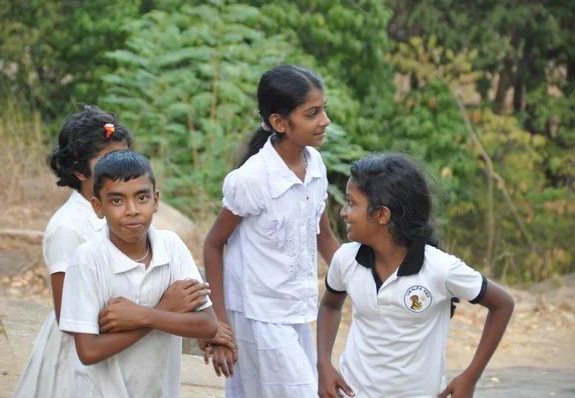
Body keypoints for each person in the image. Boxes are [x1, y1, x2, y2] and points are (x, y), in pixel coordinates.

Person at [316, 154, 515, 398]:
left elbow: (503, 304)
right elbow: (329, 306)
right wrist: (323, 363)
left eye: (351, 203)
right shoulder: (345, 259)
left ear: (381, 215)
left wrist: (470, 377)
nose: (344, 212)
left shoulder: (440, 268)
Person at [202, 64, 340, 397]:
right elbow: (213, 244)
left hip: (293, 310)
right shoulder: (252, 179)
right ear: (280, 122)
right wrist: (219, 325)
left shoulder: (315, 165)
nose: (325, 121)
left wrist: (367, 279)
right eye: (313, 113)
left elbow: (324, 236)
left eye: (324, 110)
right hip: (257, 313)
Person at [59, 149, 219, 397]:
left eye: (141, 198)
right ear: (98, 206)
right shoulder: (87, 260)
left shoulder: (171, 246)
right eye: (116, 201)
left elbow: (207, 325)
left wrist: (143, 316)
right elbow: (89, 351)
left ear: (156, 201)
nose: (132, 209)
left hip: (159, 390)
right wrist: (164, 310)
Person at [13, 105, 135, 397]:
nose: (121, 169)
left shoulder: (127, 213)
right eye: (109, 161)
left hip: (121, 345)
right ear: (80, 171)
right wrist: (148, 317)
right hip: (80, 359)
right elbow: (68, 315)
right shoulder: (69, 227)